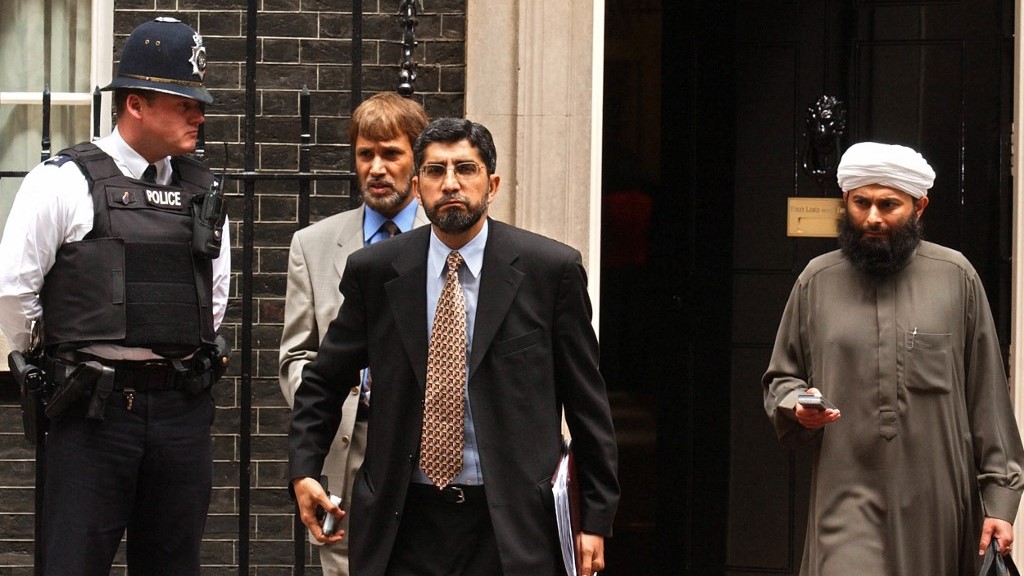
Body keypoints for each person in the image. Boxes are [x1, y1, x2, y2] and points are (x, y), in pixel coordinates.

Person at [288, 118, 619, 576]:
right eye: (435, 171)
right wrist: (304, 469)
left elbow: (587, 404)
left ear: (492, 183)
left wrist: (595, 519)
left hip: (510, 525)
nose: (450, 183)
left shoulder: (550, 270)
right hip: (403, 522)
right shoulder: (376, 271)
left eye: (465, 168)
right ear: (418, 186)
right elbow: (324, 380)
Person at [0, 17, 231, 576]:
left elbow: (215, 298)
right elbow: (14, 293)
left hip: (181, 410)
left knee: (174, 564)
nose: (199, 114)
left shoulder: (203, 191)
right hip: (93, 414)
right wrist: (65, 356)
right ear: (135, 103)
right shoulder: (62, 182)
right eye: (184, 103)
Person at [762, 142, 1024, 575]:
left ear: (920, 206)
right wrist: (796, 407)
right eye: (860, 203)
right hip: (843, 498)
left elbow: (987, 401)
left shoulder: (957, 278)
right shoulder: (817, 280)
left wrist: (1000, 501)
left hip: (937, 508)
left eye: (889, 204)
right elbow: (780, 379)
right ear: (846, 201)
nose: (873, 218)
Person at [278, 91, 429, 575]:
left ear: (417, 160)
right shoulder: (314, 244)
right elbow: (296, 356)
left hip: (427, 445)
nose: (377, 168)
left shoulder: (450, 237)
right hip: (350, 446)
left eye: (391, 154)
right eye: (366, 154)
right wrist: (334, 398)